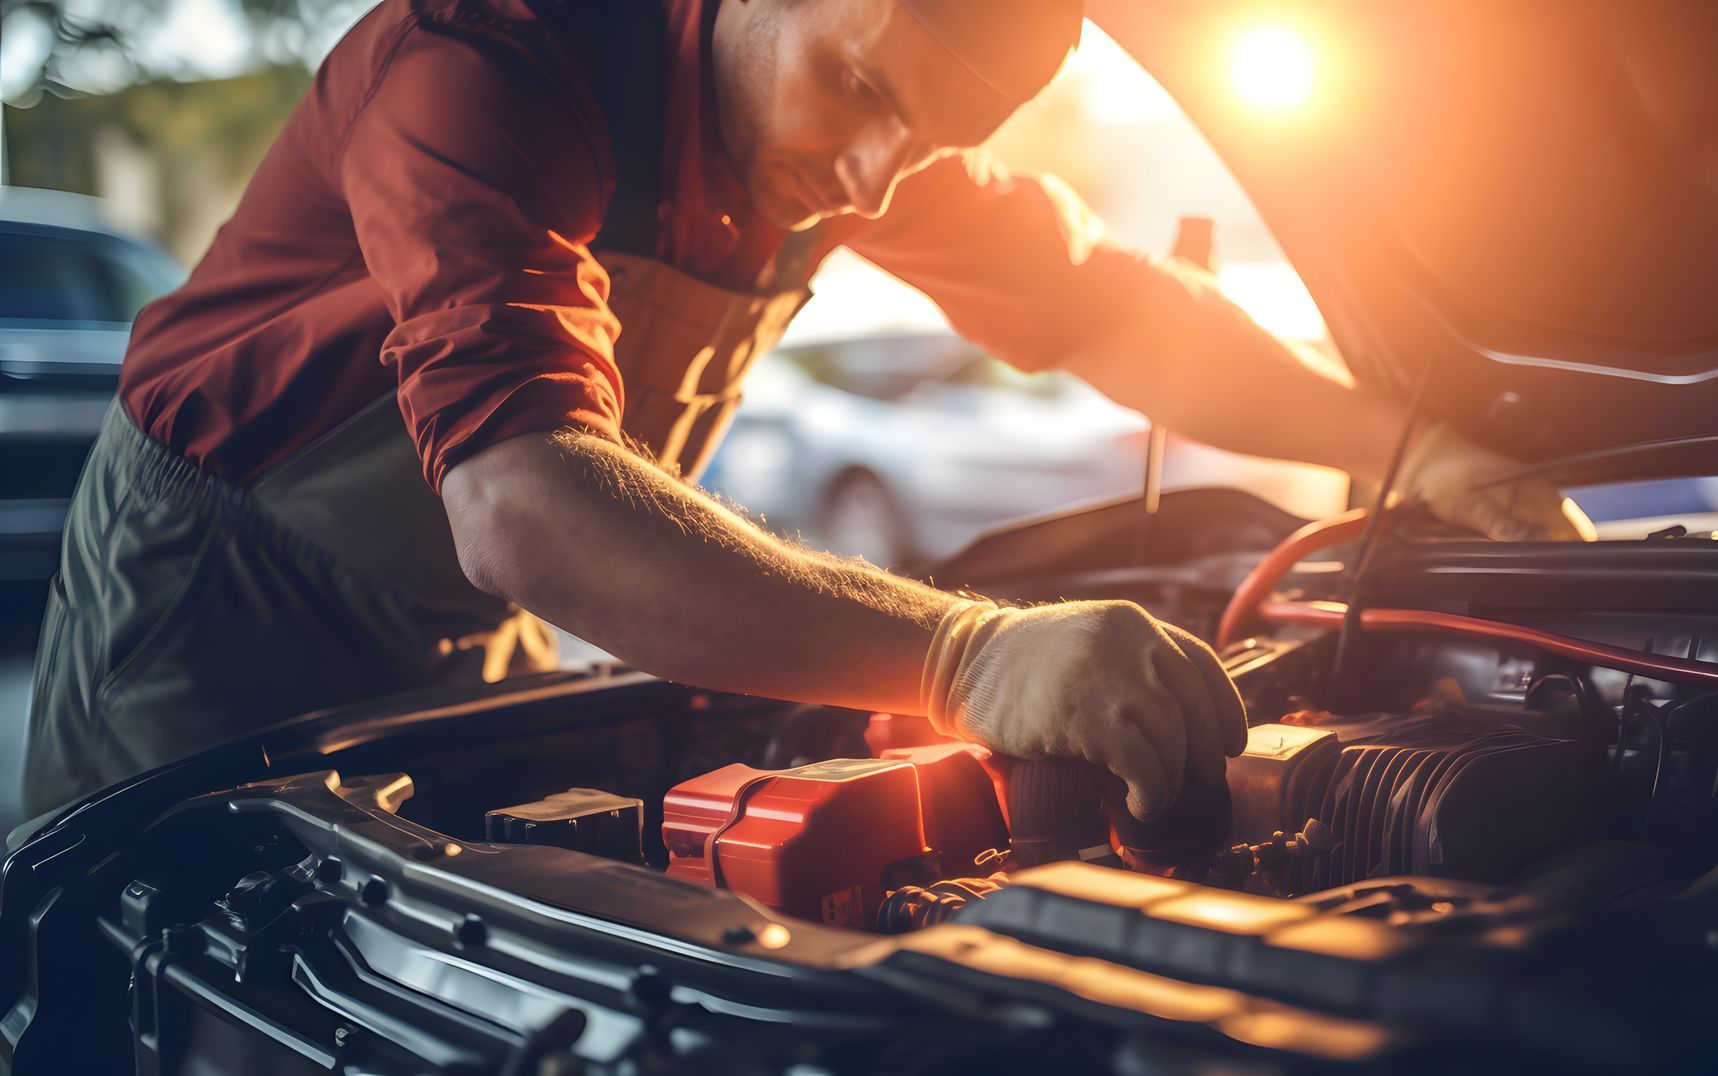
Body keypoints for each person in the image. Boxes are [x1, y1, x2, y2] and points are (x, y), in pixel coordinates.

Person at [22, 0, 1582, 821]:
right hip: (209, 601)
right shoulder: (485, 65)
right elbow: (518, 504)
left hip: (460, 625)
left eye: (930, 137)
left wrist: (1407, 441)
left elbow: (1107, 301)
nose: (871, 181)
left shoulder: (838, 137)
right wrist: (965, 654)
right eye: (870, 92)